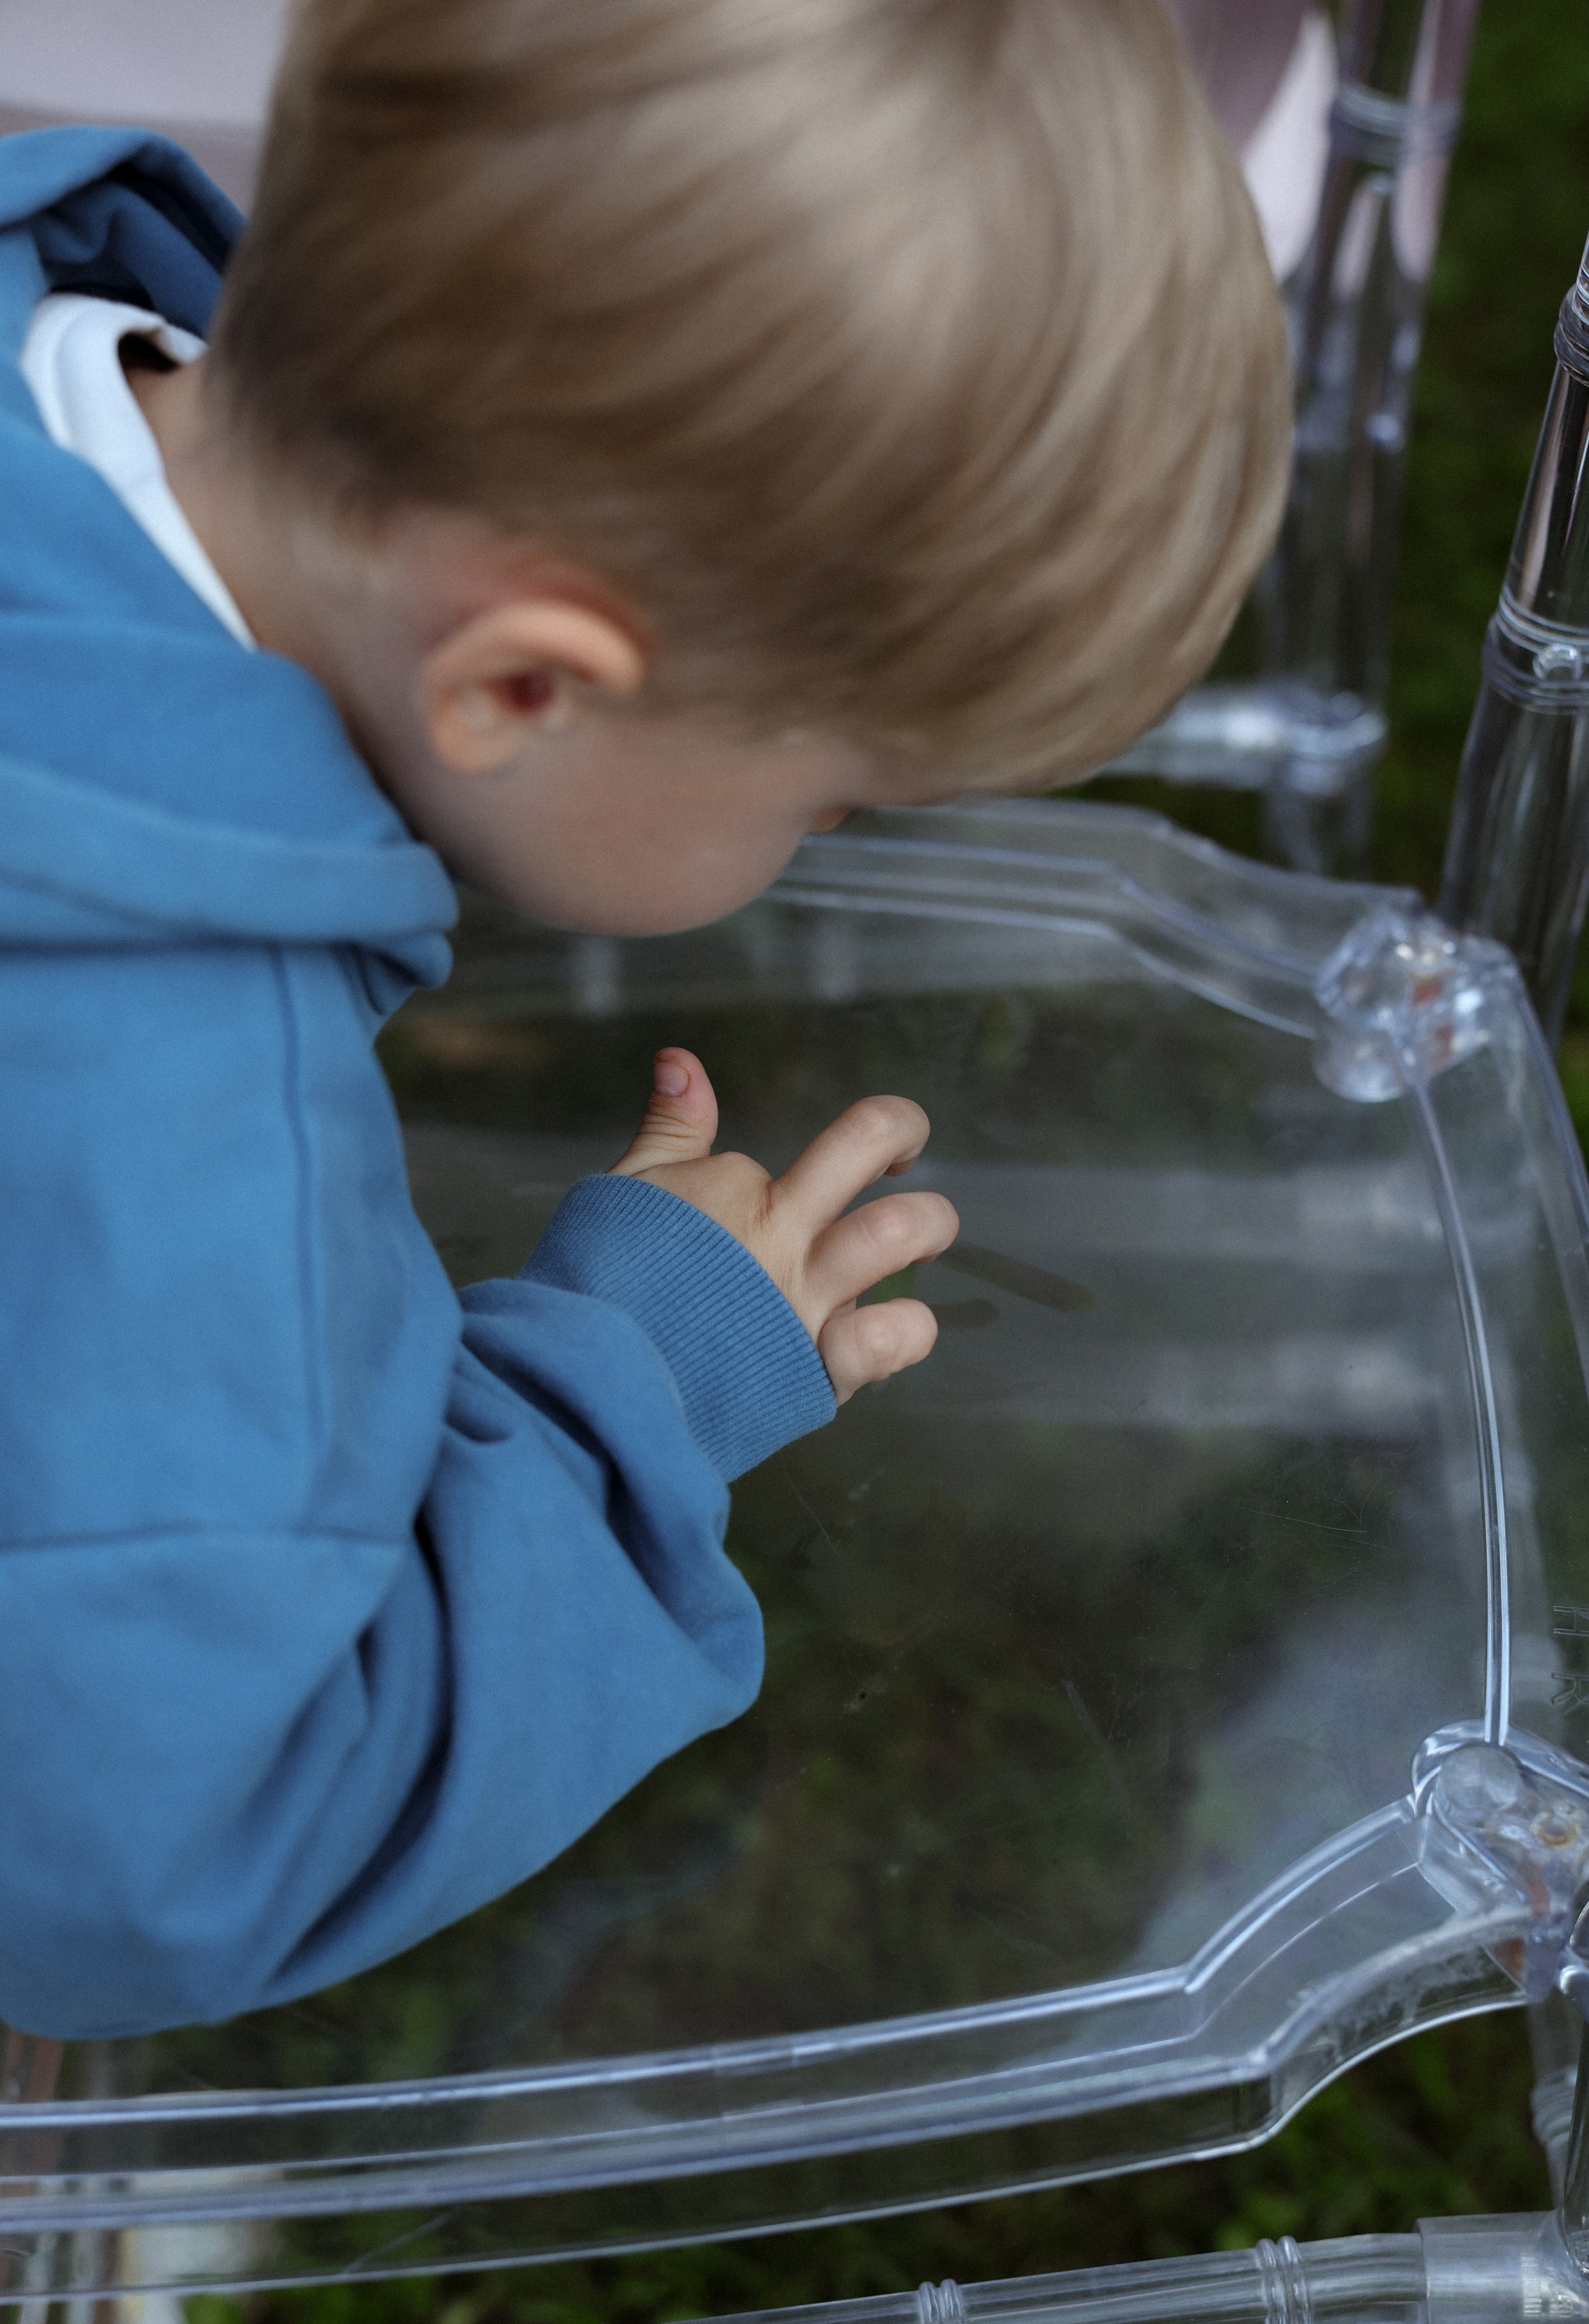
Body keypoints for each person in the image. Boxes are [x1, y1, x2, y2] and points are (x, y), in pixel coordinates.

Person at [0, 0, 1289, 2039]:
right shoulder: (178, 1142)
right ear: (520, 687)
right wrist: (639, 1395)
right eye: (831, 798)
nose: (819, 842)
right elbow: (165, 1854)